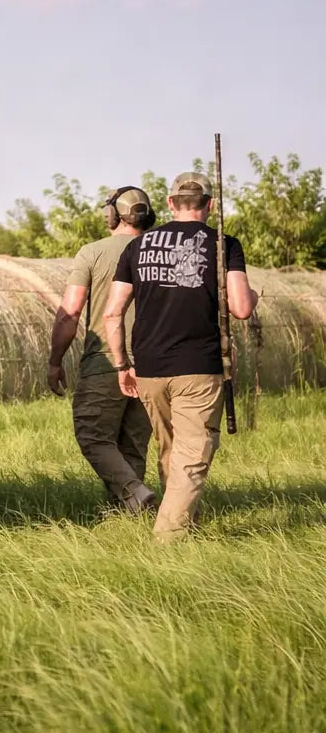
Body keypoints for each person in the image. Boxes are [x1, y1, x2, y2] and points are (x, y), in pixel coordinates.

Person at [103, 171, 259, 541]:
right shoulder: (224, 243)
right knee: (193, 454)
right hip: (199, 367)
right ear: (209, 205)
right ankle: (166, 541)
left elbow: (113, 313)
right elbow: (240, 308)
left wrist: (122, 364)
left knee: (172, 451)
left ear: (171, 204)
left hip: (150, 368)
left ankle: (190, 528)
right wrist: (252, 297)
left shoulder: (136, 247)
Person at [47, 186, 157, 513]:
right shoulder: (159, 252)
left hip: (106, 363)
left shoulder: (93, 252)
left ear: (112, 214)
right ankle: (127, 514)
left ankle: (135, 493)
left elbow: (71, 311)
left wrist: (55, 361)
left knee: (92, 436)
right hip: (153, 365)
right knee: (133, 446)